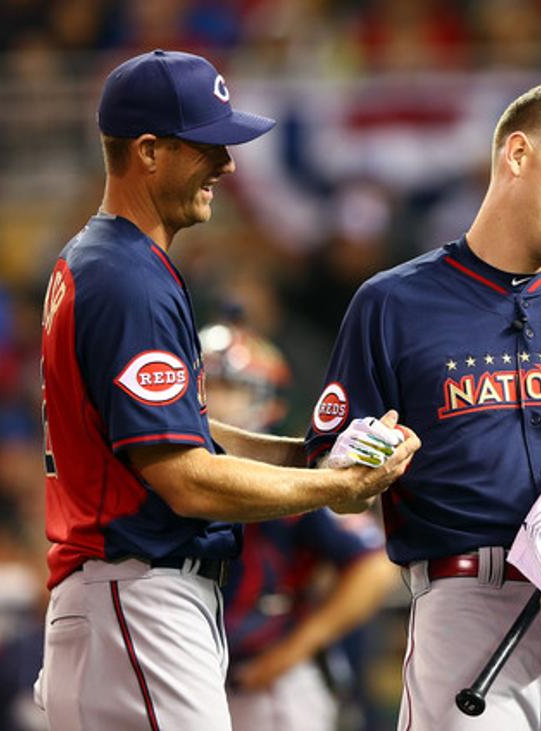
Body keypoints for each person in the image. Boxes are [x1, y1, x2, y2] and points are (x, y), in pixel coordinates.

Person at [33, 49, 420, 731]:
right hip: (138, 596)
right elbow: (185, 478)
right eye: (208, 144)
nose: (229, 162)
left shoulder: (103, 260)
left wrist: (307, 456)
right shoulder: (129, 277)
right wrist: (336, 489)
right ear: (149, 151)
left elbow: (184, 431)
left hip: (118, 599)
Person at [305, 83, 541, 730]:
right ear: (516, 154)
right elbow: (335, 482)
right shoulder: (391, 303)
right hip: (467, 607)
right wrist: (348, 465)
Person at [198, 319, 400, 731]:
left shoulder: (287, 474)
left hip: (261, 677)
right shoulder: (163, 460)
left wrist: (292, 651)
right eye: (208, 386)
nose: (217, 400)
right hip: (189, 668)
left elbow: (375, 565)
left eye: (231, 387)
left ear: (269, 401)